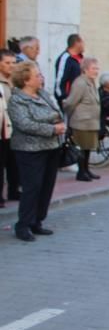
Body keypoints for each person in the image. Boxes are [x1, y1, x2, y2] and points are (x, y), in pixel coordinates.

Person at [7, 62, 65, 242]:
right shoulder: (17, 100)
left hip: (51, 147)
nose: (41, 78)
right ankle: (23, 224)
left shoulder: (43, 94)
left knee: (46, 186)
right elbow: (24, 124)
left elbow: (57, 112)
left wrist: (55, 126)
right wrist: (51, 128)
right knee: (32, 187)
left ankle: (37, 221)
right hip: (30, 149)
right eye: (37, 75)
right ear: (26, 80)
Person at [62, 56, 102, 182]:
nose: (96, 71)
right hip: (82, 122)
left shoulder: (91, 82)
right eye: (93, 68)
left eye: (97, 68)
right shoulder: (80, 83)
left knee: (87, 148)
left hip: (91, 122)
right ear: (85, 69)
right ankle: (81, 172)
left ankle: (86, 170)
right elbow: (70, 102)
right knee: (81, 148)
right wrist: (70, 117)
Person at [0, 48, 19, 206]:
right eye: (7, 63)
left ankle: (14, 191)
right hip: (2, 129)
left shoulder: (16, 81)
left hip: (16, 128)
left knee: (14, 163)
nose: (11, 66)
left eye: (13, 63)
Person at [54, 33, 85, 107]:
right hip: (70, 102)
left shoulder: (81, 59)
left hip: (81, 101)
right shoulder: (65, 58)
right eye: (83, 42)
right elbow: (59, 81)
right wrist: (64, 99)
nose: (84, 45)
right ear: (77, 43)